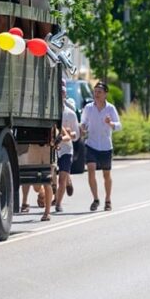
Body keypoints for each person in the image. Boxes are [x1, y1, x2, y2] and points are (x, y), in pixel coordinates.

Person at [80, 81, 122, 211]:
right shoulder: (88, 108)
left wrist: (111, 124)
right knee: (91, 170)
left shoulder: (110, 108)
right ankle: (96, 199)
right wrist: (82, 128)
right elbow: (84, 122)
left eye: (99, 92)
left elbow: (119, 126)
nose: (96, 94)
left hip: (105, 146)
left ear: (105, 94)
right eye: (95, 92)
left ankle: (108, 199)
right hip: (91, 144)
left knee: (106, 175)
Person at [54, 79, 80, 213]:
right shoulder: (50, 113)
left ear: (65, 96)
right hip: (52, 149)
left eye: (62, 94)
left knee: (61, 177)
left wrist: (71, 133)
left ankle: (58, 203)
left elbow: (77, 134)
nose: (60, 96)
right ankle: (55, 193)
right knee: (53, 178)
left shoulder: (71, 114)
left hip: (66, 149)